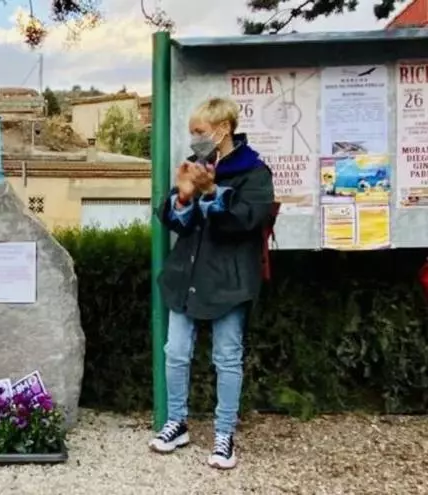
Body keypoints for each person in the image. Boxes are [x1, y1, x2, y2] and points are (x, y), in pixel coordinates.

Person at [148, 97, 275, 469]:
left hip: (230, 280)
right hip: (186, 276)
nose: (195, 138)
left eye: (200, 131)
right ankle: (176, 423)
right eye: (192, 132)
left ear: (223, 129)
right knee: (175, 352)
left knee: (227, 357)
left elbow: (248, 219)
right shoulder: (196, 165)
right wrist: (184, 198)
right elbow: (175, 220)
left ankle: (224, 435)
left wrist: (211, 193)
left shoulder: (254, 171)